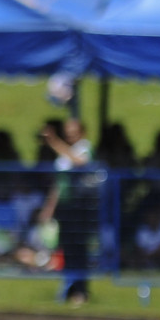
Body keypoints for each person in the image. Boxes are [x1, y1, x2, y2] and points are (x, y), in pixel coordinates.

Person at [40, 116, 94, 304]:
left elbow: (79, 161)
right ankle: (68, 288)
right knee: (67, 249)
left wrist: (54, 141)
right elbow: (59, 183)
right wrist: (49, 207)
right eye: (68, 134)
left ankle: (81, 291)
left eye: (74, 133)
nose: (70, 137)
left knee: (79, 249)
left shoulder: (85, 147)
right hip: (65, 206)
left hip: (80, 207)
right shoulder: (63, 152)